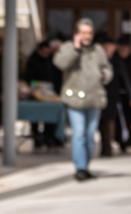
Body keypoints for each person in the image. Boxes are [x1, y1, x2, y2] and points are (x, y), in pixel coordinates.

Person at [53, 18, 113, 180]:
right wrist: (75, 48)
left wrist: (104, 75)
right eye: (84, 32)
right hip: (75, 100)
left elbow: (107, 68)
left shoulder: (98, 50)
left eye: (90, 33)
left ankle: (85, 166)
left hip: (94, 98)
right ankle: (80, 168)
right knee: (78, 133)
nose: (87, 36)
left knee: (89, 135)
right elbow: (60, 63)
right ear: (77, 34)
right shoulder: (68, 47)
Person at [24, 40, 64, 148]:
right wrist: (39, 86)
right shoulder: (32, 61)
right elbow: (28, 78)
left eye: (48, 53)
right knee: (35, 117)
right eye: (44, 52)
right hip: (36, 94)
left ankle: (49, 137)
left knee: (51, 116)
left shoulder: (51, 60)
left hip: (51, 94)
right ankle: (37, 138)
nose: (46, 55)